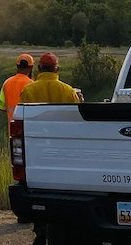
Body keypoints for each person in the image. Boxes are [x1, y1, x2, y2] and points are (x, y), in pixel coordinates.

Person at [18, 52, 79, 245]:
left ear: (39, 69)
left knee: (38, 189)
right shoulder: (69, 91)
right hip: (63, 151)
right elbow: (77, 123)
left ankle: (41, 228)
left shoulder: (28, 91)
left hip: (36, 150)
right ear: (57, 69)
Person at [0, 53, 34, 127]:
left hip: (12, 129)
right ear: (31, 67)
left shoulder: (7, 82)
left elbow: (1, 106)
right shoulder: (32, 84)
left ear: (17, 66)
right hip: (28, 128)